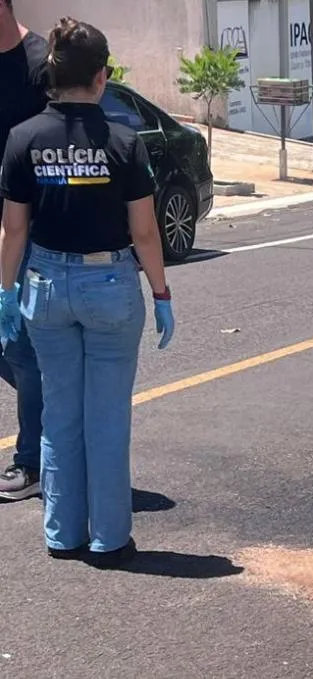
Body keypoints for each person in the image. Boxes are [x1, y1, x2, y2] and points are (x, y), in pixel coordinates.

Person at [0, 17, 176, 567]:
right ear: (102, 76)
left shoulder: (23, 138)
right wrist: (162, 293)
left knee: (59, 414)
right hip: (109, 286)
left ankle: (62, 533)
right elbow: (145, 233)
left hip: (45, 287)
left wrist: (5, 292)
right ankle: (108, 538)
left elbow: (14, 230)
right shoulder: (124, 142)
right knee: (106, 417)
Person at [0, 0, 47, 501]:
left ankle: (31, 461)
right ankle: (53, 412)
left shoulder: (40, 63)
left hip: (27, 229)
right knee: (16, 353)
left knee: (19, 347)